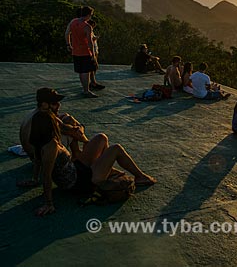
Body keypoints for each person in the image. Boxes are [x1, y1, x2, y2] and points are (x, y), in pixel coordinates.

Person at [18, 88, 156, 216]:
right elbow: (47, 176)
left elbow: (37, 159)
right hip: (80, 182)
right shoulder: (51, 146)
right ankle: (139, 176)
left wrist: (33, 179)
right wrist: (49, 204)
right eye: (54, 103)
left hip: (76, 168)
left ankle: (103, 168)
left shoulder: (39, 127)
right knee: (116, 148)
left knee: (101, 138)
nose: (58, 108)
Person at [65, 6, 99, 98]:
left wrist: (68, 44)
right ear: (88, 15)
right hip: (85, 52)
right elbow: (90, 42)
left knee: (81, 71)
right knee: (86, 72)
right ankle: (86, 91)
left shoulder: (73, 22)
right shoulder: (87, 26)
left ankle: (85, 89)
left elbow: (67, 33)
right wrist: (93, 55)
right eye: (91, 15)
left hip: (75, 51)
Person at [87, 19, 105, 91]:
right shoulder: (88, 31)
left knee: (94, 68)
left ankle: (92, 81)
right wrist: (94, 39)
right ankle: (92, 83)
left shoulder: (91, 31)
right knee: (93, 67)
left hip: (95, 50)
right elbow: (89, 41)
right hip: (92, 51)